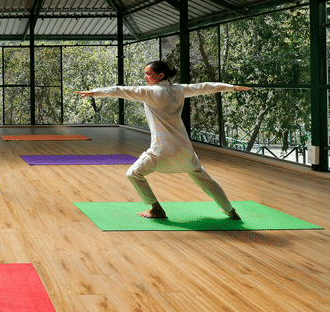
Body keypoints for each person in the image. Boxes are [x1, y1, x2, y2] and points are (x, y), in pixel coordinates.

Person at [75, 61, 251, 220]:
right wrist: (231, 87)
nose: (145, 77)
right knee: (205, 179)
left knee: (133, 174)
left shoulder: (150, 92)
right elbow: (205, 87)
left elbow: (121, 90)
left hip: (163, 149)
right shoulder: (179, 89)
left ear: (159, 76)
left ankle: (156, 208)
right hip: (184, 148)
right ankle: (230, 211)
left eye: (148, 74)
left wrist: (95, 93)